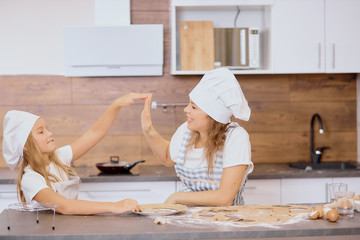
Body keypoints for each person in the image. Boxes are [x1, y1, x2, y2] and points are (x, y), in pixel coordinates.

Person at [2, 92, 150, 215]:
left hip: (69, 229)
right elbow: (64, 206)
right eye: (41, 132)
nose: (50, 133)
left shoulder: (59, 158)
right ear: (25, 146)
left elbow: (95, 133)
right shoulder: (31, 178)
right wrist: (114, 206)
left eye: (47, 128)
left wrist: (116, 105)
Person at [141, 68, 253, 206]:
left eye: (194, 107)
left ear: (213, 116)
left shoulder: (236, 137)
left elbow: (224, 198)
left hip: (225, 221)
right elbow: (167, 157)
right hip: (187, 219)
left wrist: (177, 197)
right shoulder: (186, 131)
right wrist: (148, 129)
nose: (186, 109)